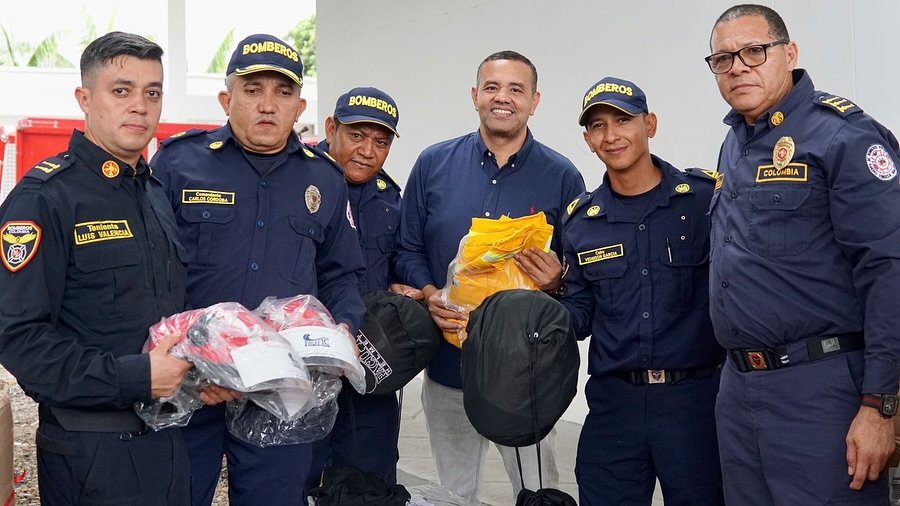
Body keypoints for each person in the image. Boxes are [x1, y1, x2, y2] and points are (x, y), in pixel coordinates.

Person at [150, 34, 367, 505]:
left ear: (299, 105)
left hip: (281, 386)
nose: (268, 105)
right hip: (192, 382)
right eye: (253, 90)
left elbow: (342, 273)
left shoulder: (323, 178)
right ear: (227, 99)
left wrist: (344, 328)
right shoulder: (178, 163)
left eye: (282, 92)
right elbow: (149, 270)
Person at [706, 4, 900, 504]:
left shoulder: (842, 135)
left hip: (822, 393)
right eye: (723, 59)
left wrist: (881, 405)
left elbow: (888, 271)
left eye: (754, 51)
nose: (738, 67)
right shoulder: (735, 143)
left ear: (788, 54)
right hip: (740, 393)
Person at [0, 32, 193, 505]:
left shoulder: (151, 193)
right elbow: (19, 339)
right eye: (121, 90)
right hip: (92, 450)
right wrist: (138, 377)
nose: (141, 107)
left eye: (154, 92)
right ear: (85, 99)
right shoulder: (45, 199)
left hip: (168, 439)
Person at [395, 49, 585, 502]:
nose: (504, 98)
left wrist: (557, 280)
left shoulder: (562, 177)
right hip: (447, 366)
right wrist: (428, 293)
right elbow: (408, 247)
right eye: (493, 87)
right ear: (475, 95)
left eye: (516, 89)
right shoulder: (433, 164)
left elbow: (580, 274)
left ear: (535, 101)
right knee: (454, 492)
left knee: (537, 491)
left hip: (525, 374)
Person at [560, 77, 724, 505]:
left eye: (623, 120)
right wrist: (538, 299)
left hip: (695, 404)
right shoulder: (581, 220)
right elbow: (579, 315)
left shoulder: (702, 201)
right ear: (587, 139)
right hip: (615, 405)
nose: (611, 135)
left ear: (649, 124)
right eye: (597, 126)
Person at [305, 86, 419, 487]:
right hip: (307, 362)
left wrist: (407, 286)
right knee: (300, 477)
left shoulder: (388, 197)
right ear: (331, 128)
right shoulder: (298, 178)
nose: (368, 151)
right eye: (357, 136)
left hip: (370, 360)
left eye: (381, 141)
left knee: (371, 478)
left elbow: (398, 257)